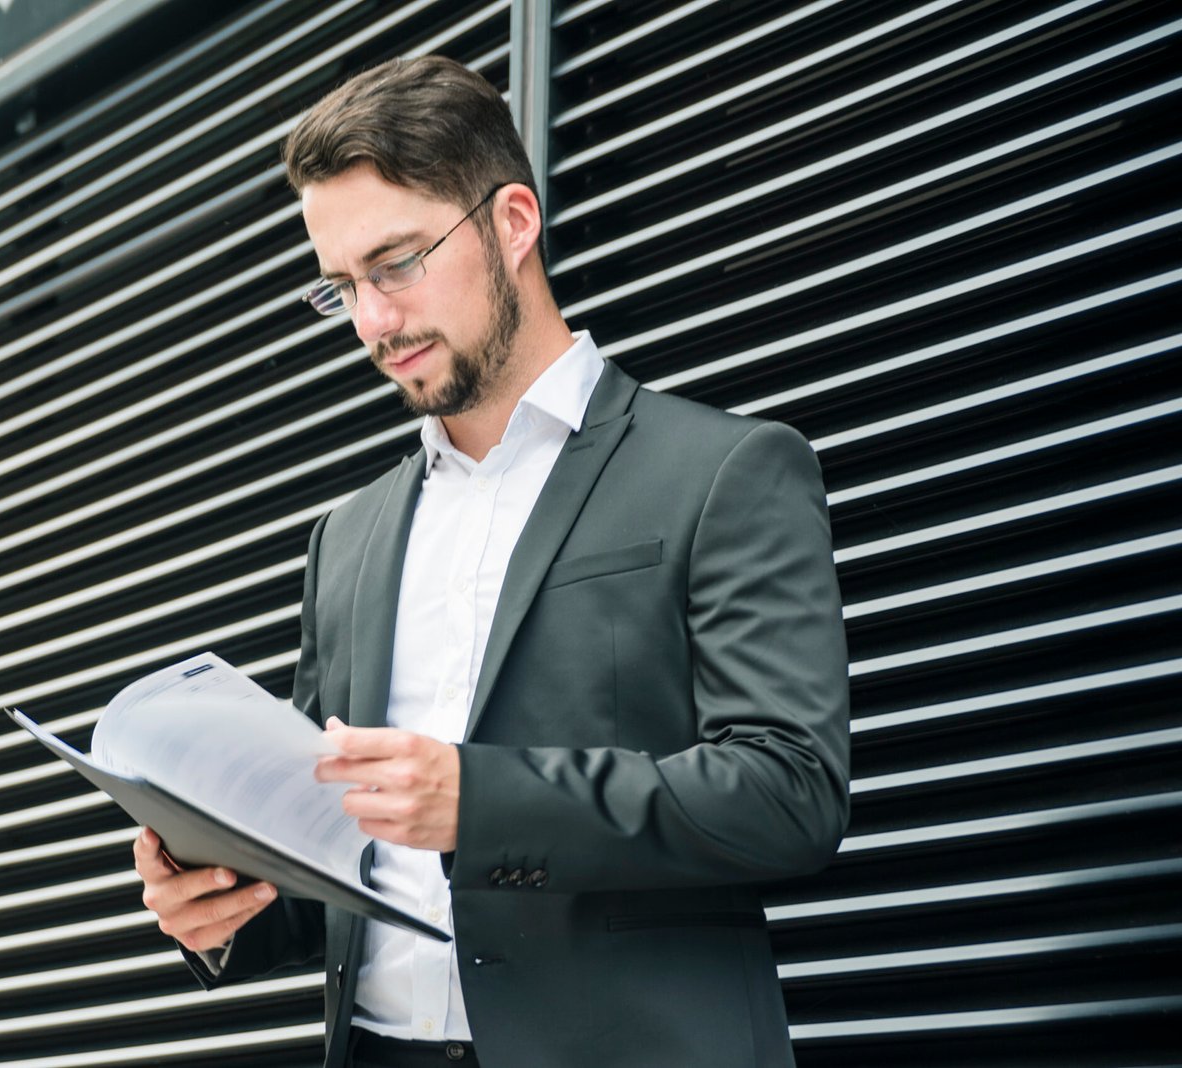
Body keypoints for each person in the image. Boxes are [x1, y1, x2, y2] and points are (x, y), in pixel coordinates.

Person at [133, 55, 850, 1068]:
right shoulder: (348, 537)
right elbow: (331, 858)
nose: (373, 323)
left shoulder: (724, 471)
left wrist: (482, 803)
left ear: (513, 221)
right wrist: (219, 902)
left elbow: (790, 793)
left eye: (395, 264)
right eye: (341, 288)